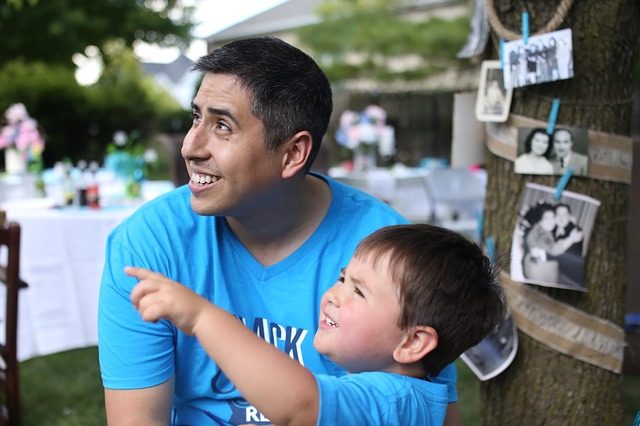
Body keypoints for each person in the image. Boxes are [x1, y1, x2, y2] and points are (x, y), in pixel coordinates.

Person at [98, 36, 460, 425]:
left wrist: (202, 317)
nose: (190, 146)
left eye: (222, 126)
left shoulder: (390, 256)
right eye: (196, 118)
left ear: (292, 154)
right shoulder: (149, 243)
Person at [127, 224, 505, 426]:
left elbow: (299, 406)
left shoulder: (395, 400)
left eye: (359, 292)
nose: (333, 295)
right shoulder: (399, 399)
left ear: (413, 342)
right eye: (342, 279)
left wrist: (203, 318)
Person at [521, 202, 582, 284]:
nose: (551, 221)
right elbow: (553, 250)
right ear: (540, 220)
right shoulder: (540, 232)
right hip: (541, 271)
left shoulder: (574, 230)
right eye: (547, 218)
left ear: (569, 216)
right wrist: (571, 239)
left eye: (553, 217)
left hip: (563, 273)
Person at [552, 203, 585, 289]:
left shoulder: (575, 230)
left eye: (565, 214)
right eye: (558, 214)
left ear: (569, 216)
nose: (561, 218)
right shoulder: (552, 228)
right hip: (555, 271)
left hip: (569, 276)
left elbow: (556, 251)